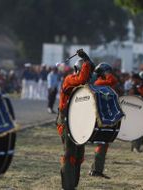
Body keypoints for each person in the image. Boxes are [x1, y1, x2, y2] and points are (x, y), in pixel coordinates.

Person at [56, 49, 94, 190]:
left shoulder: (84, 82)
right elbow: (82, 78)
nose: (90, 76)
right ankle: (67, 186)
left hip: (78, 120)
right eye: (87, 71)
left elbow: (89, 74)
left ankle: (73, 185)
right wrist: (86, 62)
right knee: (70, 153)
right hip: (66, 120)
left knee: (79, 154)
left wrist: (86, 58)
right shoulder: (70, 79)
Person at [89, 62, 117, 179]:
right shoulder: (100, 83)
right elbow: (113, 81)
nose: (110, 74)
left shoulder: (101, 83)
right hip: (101, 117)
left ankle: (96, 169)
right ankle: (96, 170)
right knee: (102, 143)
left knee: (104, 144)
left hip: (105, 116)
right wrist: (108, 75)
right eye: (108, 72)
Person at [129, 72, 143, 153]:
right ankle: (135, 147)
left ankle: (134, 147)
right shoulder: (134, 87)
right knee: (138, 128)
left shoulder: (138, 86)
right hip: (136, 110)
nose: (133, 81)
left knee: (138, 128)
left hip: (139, 109)